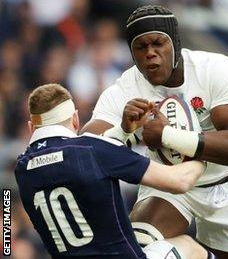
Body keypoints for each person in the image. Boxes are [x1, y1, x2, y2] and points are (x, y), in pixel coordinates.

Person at [80, 5, 228, 259]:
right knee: (136, 251)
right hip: (169, 186)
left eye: (157, 43)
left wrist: (167, 136)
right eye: (141, 48)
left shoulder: (213, 68)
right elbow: (87, 151)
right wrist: (123, 130)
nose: (150, 53)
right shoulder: (125, 90)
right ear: (132, 53)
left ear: (174, 44)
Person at [15, 83, 208, 258]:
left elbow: (72, 160)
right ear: (75, 119)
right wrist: (203, 153)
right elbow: (180, 181)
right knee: (189, 246)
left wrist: (124, 131)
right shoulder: (92, 150)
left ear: (32, 128)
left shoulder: (21, 169)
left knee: (144, 237)